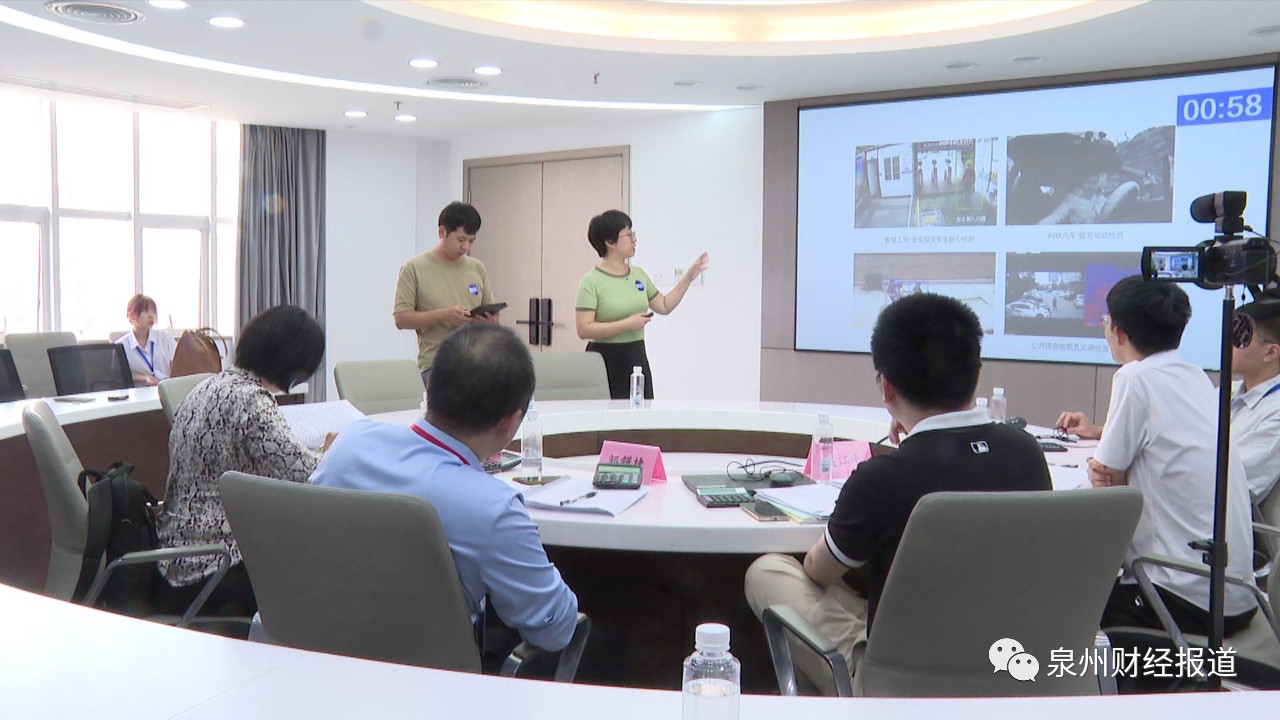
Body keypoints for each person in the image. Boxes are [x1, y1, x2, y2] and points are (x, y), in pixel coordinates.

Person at [744, 293, 1051, 693]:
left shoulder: (884, 477)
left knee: (769, 572)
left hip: (900, 685)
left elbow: (819, 570)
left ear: (886, 387)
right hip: (1011, 670)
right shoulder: (1026, 452)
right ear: (976, 376)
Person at [309, 324, 579, 652]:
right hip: (426, 676)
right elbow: (553, 631)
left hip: (313, 655)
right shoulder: (494, 508)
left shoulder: (349, 445)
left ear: (430, 385)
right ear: (511, 421)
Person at [1057, 276, 1256, 636]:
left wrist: (1110, 470)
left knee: (1058, 598)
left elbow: (1107, 478)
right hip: (1236, 595)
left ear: (1118, 332)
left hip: (1181, 598)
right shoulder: (1195, 376)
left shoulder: (1134, 377)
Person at [153, 305, 330, 619]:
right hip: (217, 568)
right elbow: (309, 476)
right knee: (325, 563)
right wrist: (332, 450)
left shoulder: (204, 388)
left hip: (175, 558)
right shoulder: (251, 400)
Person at [574, 210, 708, 400]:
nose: (634, 240)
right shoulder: (591, 281)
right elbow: (584, 329)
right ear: (610, 242)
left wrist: (688, 278)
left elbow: (664, 305)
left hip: (636, 356)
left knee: (640, 413)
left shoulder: (638, 274)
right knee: (608, 414)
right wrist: (627, 324)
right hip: (603, 360)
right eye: (628, 235)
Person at [393, 201, 500, 388]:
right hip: (438, 365)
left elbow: (494, 318)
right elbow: (401, 319)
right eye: (460, 239)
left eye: (471, 241)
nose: (466, 246)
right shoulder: (414, 268)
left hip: (478, 362)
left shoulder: (477, 267)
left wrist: (489, 321)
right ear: (442, 232)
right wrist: (444, 315)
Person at [1229, 297, 1280, 504]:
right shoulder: (1223, 393)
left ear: (1271, 352)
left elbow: (1233, 481)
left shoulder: (1276, 413)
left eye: (1239, 336)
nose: (1226, 345)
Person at [115, 294, 176, 386]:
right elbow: (118, 376)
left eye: (153, 312)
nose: (151, 316)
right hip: (140, 391)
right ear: (132, 316)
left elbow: (177, 368)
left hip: (167, 388)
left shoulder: (166, 339)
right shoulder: (121, 346)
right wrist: (144, 378)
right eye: (145, 311)